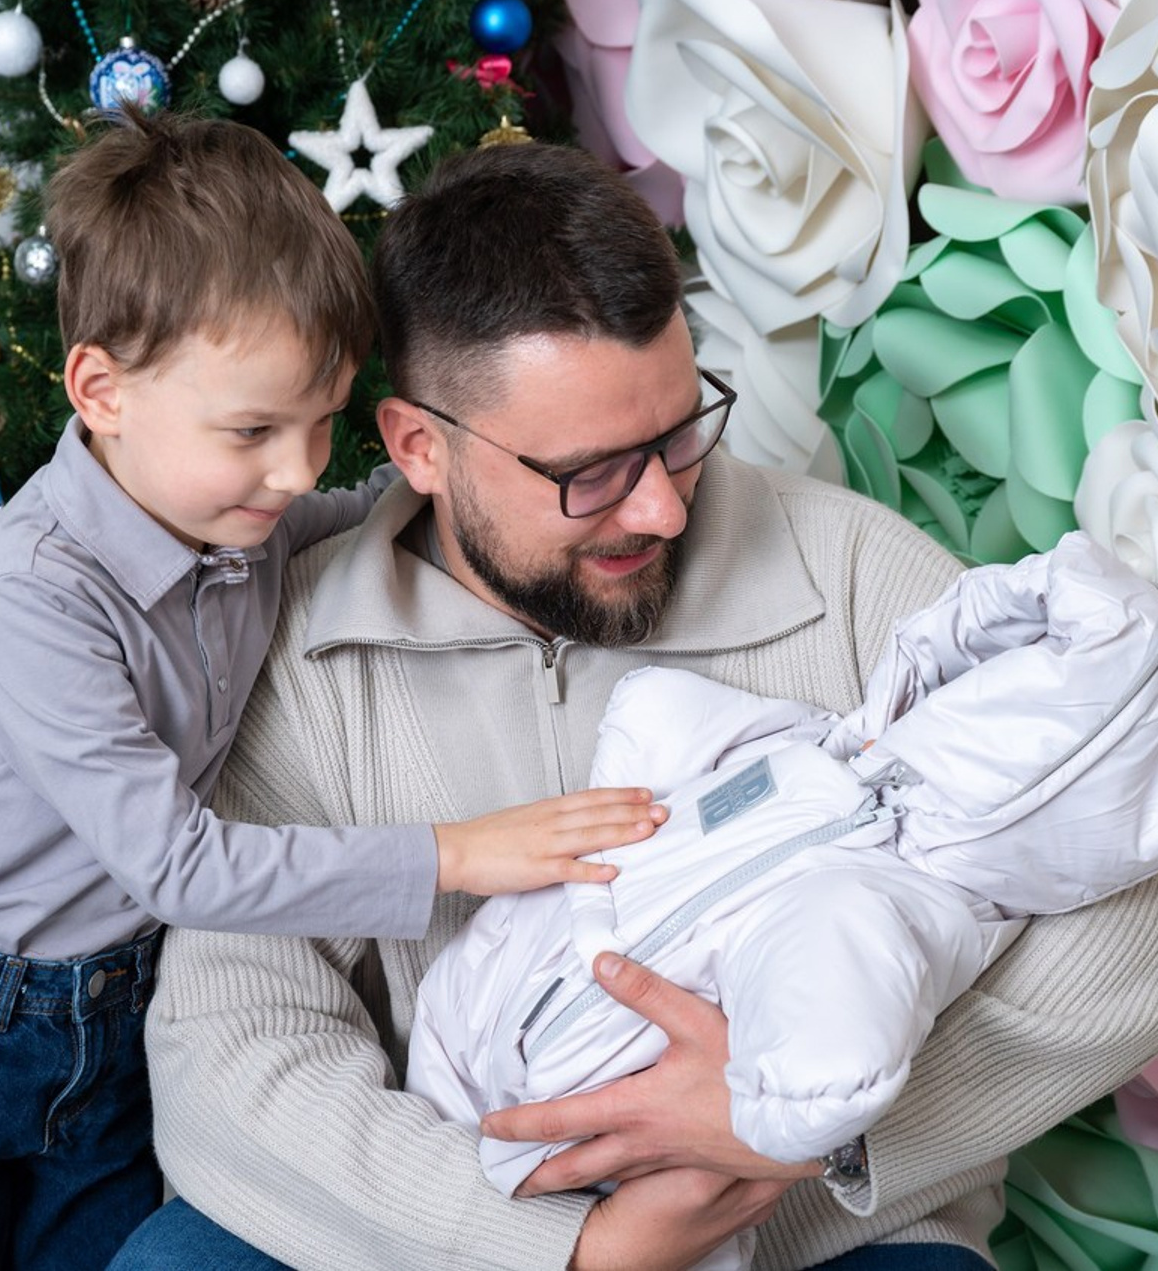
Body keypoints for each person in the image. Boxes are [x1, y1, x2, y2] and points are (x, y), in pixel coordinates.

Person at [114, 139, 1158, 1271]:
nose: (661, 508)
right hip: (455, 1221)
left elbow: (1132, 922)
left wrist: (787, 1127)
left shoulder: (858, 575)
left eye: (678, 432)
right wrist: (568, 1248)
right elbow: (234, 1042)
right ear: (419, 446)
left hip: (834, 1239)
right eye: (592, 471)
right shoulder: (297, 655)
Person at [0, 115, 665, 1271]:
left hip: (115, 1001)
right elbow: (180, 864)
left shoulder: (238, 517)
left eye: (321, 421)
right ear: (99, 389)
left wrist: (500, 477)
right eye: (252, 429)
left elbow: (363, 509)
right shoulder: (31, 600)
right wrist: (455, 853)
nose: (296, 469)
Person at [405, 528, 1158, 1271]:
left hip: (612, 1132)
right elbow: (661, 712)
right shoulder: (817, 750)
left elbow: (826, 1070)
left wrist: (769, 1124)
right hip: (479, 987)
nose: (659, 506)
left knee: (698, 1207)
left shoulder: (879, 906)